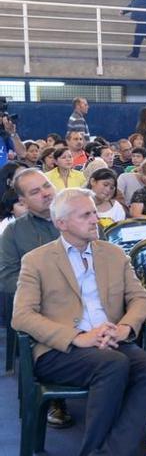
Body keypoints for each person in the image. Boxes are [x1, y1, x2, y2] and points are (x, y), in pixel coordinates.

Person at [12, 187, 146, 456]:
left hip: (112, 339)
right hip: (61, 349)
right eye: (86, 215)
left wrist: (124, 328)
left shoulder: (114, 254)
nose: (95, 219)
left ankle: (108, 452)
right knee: (113, 365)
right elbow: (22, 316)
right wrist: (76, 337)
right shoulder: (36, 261)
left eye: (94, 212)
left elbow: (141, 299)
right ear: (61, 223)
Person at [0, 169, 76, 428]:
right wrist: (42, 293)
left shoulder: (78, 217)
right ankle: (57, 397)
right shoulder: (14, 233)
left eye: (46, 186)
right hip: (46, 308)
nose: (45, 193)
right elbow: (6, 277)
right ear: (22, 201)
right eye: (35, 192)